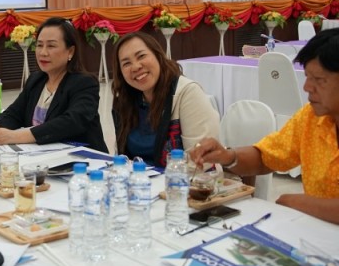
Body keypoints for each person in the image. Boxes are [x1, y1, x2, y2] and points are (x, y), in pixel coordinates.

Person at [191, 28, 339, 225]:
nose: (306, 87)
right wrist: (228, 156)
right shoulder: (311, 118)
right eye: (307, 77)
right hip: (315, 231)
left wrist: (298, 202)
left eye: (319, 80)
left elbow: (294, 203)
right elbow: (267, 157)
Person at [0, 17, 108, 152]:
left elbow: (72, 122)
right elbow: (15, 113)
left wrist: (16, 136)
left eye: (51, 46)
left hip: (82, 157)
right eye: (39, 45)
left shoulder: (84, 83)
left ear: (70, 51)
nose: (43, 52)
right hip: (42, 156)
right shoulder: (36, 80)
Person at [112, 32, 219, 167]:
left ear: (158, 55)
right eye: (126, 63)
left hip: (185, 179)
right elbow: (122, 158)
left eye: (141, 56)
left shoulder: (187, 93)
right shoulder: (125, 101)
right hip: (139, 179)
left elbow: (202, 161)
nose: (136, 67)